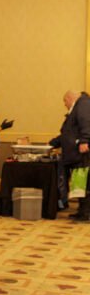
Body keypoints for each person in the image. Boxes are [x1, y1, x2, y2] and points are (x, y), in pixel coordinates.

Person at [48, 90, 90, 220]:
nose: (65, 104)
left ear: (70, 98)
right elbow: (68, 133)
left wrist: (84, 140)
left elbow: (86, 122)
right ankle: (82, 211)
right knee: (80, 184)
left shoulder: (82, 104)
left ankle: (85, 213)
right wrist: (53, 143)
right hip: (76, 154)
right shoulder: (79, 107)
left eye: (65, 101)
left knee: (84, 183)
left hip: (81, 154)